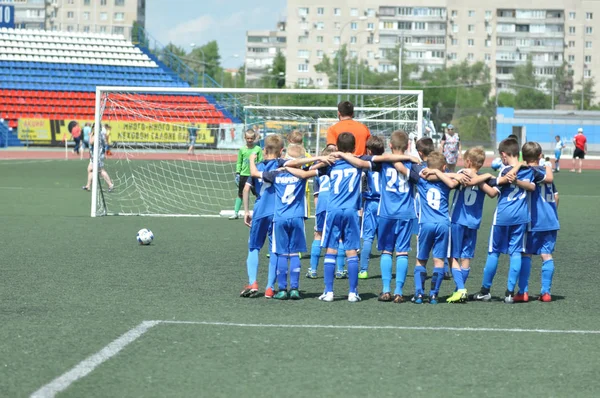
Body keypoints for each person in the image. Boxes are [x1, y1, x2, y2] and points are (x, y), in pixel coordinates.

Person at [249, 151, 330, 300]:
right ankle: (294, 289)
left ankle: (281, 290)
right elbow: (319, 167)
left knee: (281, 253)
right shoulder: (302, 174)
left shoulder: (275, 174)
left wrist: (251, 160)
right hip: (297, 218)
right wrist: (321, 158)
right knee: (294, 253)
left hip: (280, 218)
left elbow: (254, 173)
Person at [472, 138, 541, 304]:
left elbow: (493, 192)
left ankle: (485, 290)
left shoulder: (505, 170)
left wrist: (479, 180)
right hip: (521, 217)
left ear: (504, 155)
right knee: (516, 252)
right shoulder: (528, 170)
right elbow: (532, 187)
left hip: (503, 216)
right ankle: (510, 293)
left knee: (493, 251)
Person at [317, 133, 367, 302]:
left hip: (333, 210)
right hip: (352, 210)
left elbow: (311, 170)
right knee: (351, 250)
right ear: (354, 148)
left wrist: (326, 159)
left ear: (337, 148)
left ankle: (329, 291)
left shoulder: (332, 164)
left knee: (331, 249)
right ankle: (353, 292)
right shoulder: (358, 163)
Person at [446, 147, 498, 303]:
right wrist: (486, 176)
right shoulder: (483, 177)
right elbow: (493, 193)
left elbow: (452, 183)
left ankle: (460, 288)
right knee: (466, 256)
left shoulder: (463, 172)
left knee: (451, 255)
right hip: (474, 221)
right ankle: (458, 290)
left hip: (457, 219)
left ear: (468, 162)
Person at [240, 135, 286, 298]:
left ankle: (253, 282)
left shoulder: (258, 167)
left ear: (264, 151)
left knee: (254, 247)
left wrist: (246, 211)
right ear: (281, 151)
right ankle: (269, 288)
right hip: (277, 211)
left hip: (259, 210)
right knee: (274, 250)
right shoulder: (283, 165)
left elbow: (245, 190)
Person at [412, 152, 461, 304]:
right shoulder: (447, 180)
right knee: (439, 260)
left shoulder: (421, 179)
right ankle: (434, 295)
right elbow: (453, 181)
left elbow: (411, 168)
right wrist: (441, 172)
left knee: (421, 260)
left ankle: (419, 294)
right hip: (443, 224)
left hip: (426, 223)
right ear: (444, 167)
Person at [519, 142, 558, 303]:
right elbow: (556, 196)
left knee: (526, 254)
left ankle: (523, 291)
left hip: (533, 220)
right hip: (551, 220)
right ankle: (546, 292)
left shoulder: (528, 172)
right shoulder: (544, 170)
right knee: (546, 255)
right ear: (540, 156)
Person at [358, 135, 385, 280]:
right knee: (384, 240)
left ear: (369, 151)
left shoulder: (365, 166)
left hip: (370, 204)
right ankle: (384, 270)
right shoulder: (387, 165)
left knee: (367, 238)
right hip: (384, 205)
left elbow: (363, 185)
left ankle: (363, 270)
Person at [307, 146, 335, 279]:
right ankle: (340, 270)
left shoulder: (317, 172)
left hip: (322, 205)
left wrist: (317, 213)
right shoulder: (340, 169)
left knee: (318, 234)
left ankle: (313, 269)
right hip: (336, 204)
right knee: (338, 236)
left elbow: (316, 196)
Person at [230, 129, 263, 220]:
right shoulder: (242, 149)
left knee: (258, 194)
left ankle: (260, 212)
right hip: (243, 175)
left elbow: (261, 162)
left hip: (254, 175)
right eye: (248, 138)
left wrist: (259, 172)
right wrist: (238, 173)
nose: (249, 140)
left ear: (254, 138)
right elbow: (239, 162)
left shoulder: (258, 149)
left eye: (251, 138)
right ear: (245, 138)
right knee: (241, 193)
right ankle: (236, 213)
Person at [82, 126, 114, 192]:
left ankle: (110, 184)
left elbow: (91, 142)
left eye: (93, 128)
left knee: (100, 170)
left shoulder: (97, 135)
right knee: (90, 169)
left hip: (97, 156)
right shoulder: (99, 134)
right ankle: (88, 185)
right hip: (95, 156)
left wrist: (90, 136)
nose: (93, 129)